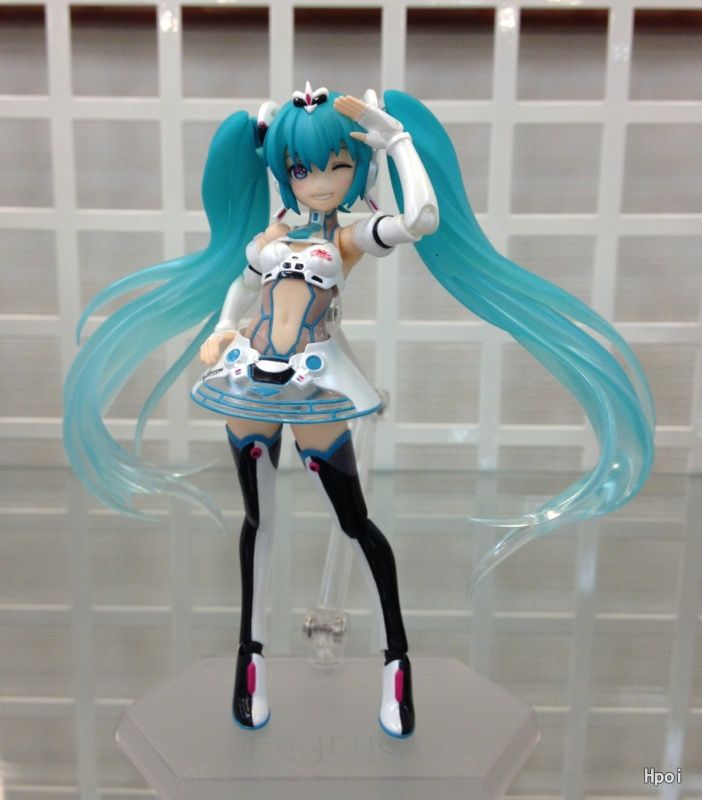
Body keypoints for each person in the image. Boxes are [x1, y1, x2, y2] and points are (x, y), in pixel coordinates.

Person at [63, 84, 655, 739]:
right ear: (283, 170)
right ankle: (250, 657)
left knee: (353, 522)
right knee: (258, 519)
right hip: (248, 378)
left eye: (337, 165)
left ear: (357, 168)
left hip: (316, 384)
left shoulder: (346, 237)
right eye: (302, 168)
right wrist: (224, 328)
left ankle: (395, 660)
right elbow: (242, 285)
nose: (319, 181)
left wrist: (397, 142)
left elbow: (422, 219)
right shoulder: (271, 235)